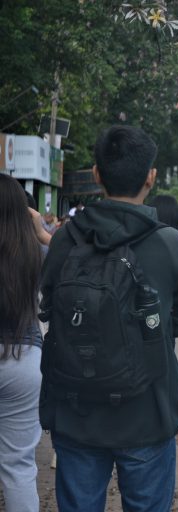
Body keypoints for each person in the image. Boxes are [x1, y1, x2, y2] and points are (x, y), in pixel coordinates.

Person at [39, 125, 178, 511]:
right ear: (151, 176)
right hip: (147, 411)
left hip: (75, 410)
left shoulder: (65, 239)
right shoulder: (170, 244)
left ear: (96, 175)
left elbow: (50, 301)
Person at [0, 173, 51, 512]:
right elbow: (77, 260)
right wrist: (43, 229)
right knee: (18, 468)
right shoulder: (37, 252)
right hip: (23, 359)